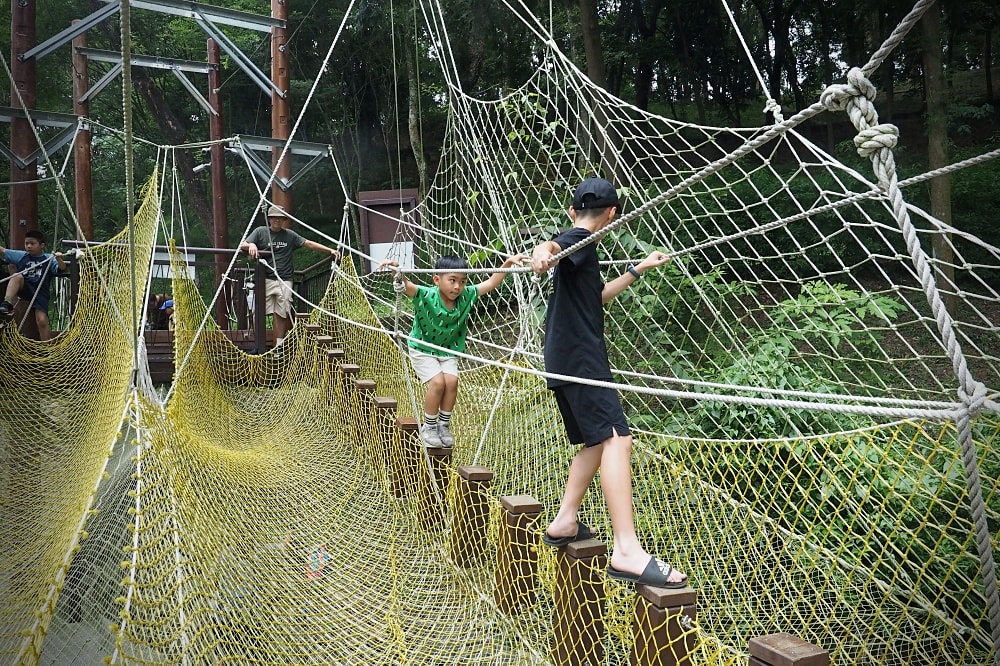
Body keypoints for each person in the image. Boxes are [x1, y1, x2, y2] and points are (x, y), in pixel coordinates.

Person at [531, 176, 687, 588]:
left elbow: (593, 296)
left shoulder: (583, 249)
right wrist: (540, 253)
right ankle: (627, 550)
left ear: (572, 208)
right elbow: (554, 246)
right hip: (581, 360)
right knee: (618, 438)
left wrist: (636, 271)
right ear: (613, 214)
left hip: (565, 357)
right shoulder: (578, 239)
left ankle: (564, 520)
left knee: (597, 441)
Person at [378, 253, 526, 447]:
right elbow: (406, 285)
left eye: (462, 281)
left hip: (448, 349)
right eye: (452, 280)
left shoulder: (466, 296)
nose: (457, 287)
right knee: (438, 383)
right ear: (437, 280)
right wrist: (396, 271)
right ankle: (429, 427)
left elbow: (491, 283)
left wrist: (507, 264)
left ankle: (443, 425)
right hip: (423, 348)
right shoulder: (427, 294)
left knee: (452, 381)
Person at [239, 205, 340, 348]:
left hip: (285, 279)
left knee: (282, 311)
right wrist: (251, 245)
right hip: (265, 278)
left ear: (283, 220)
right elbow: (242, 244)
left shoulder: (290, 235)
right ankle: (258, 343)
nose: (276, 221)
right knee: (258, 311)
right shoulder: (260, 232)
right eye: (274, 218)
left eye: (279, 218)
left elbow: (309, 244)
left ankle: (279, 345)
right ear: (269, 219)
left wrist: (330, 250)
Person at [0, 230, 68, 340]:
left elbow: (62, 268)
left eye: (32, 243)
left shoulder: (48, 258)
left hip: (40, 292)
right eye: (26, 243)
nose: (29, 246)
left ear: (42, 245)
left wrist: (59, 259)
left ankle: (46, 348)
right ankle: (7, 303)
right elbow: (4, 251)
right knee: (17, 276)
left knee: (41, 320)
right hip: (25, 288)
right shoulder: (22, 256)